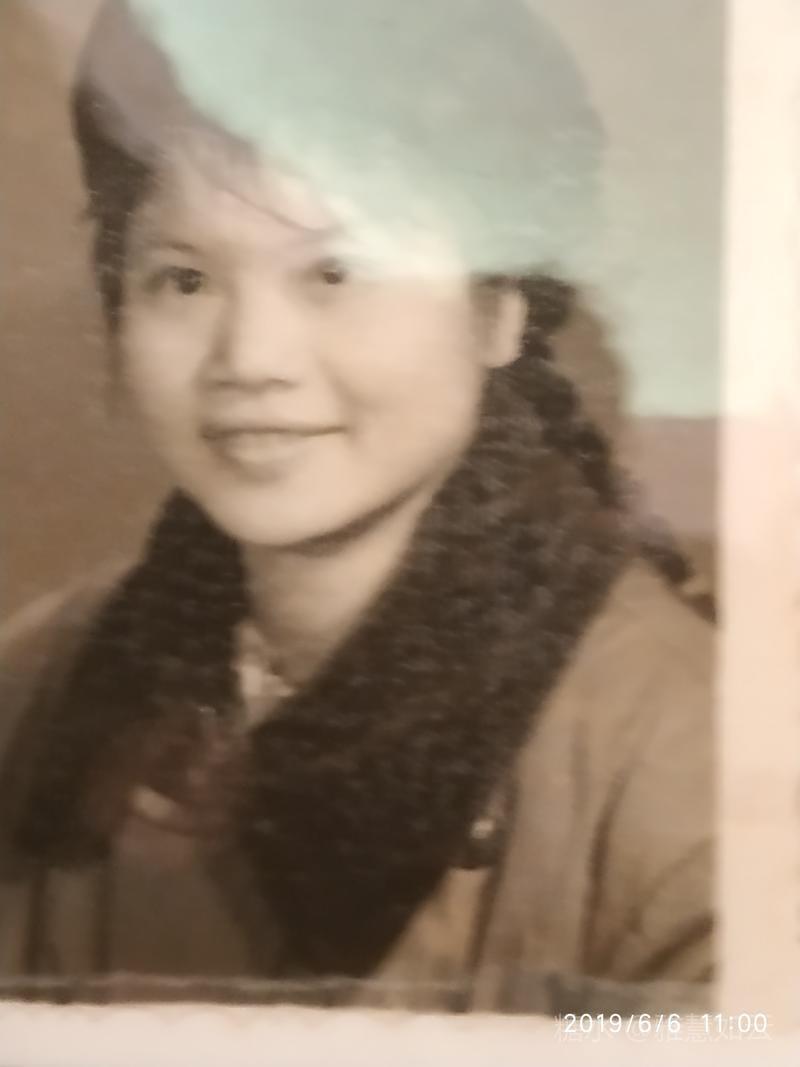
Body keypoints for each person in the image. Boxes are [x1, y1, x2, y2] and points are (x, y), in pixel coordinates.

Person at [0, 0, 713, 1014]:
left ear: (499, 309)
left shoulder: (688, 761)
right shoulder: (37, 683)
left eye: (336, 270)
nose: (250, 358)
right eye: (184, 279)